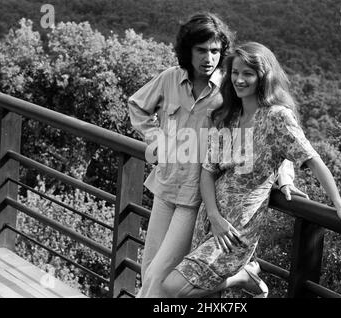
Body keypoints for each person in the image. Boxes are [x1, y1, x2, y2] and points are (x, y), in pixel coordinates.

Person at [161, 42, 341, 298]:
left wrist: (338, 203)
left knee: (172, 289)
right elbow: (208, 171)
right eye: (235, 72)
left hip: (238, 227)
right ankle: (243, 276)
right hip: (211, 218)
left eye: (248, 74)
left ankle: (241, 276)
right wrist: (215, 216)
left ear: (264, 77)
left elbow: (313, 159)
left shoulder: (276, 118)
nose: (240, 79)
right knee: (200, 292)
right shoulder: (228, 115)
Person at [128, 13, 306, 297]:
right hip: (164, 185)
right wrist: (157, 139)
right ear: (188, 50)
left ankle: (242, 273)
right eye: (201, 50)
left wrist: (284, 179)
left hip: (195, 197)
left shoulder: (229, 90)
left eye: (215, 50)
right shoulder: (170, 79)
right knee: (149, 266)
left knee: (160, 276)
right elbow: (136, 106)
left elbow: (267, 132)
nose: (208, 57)